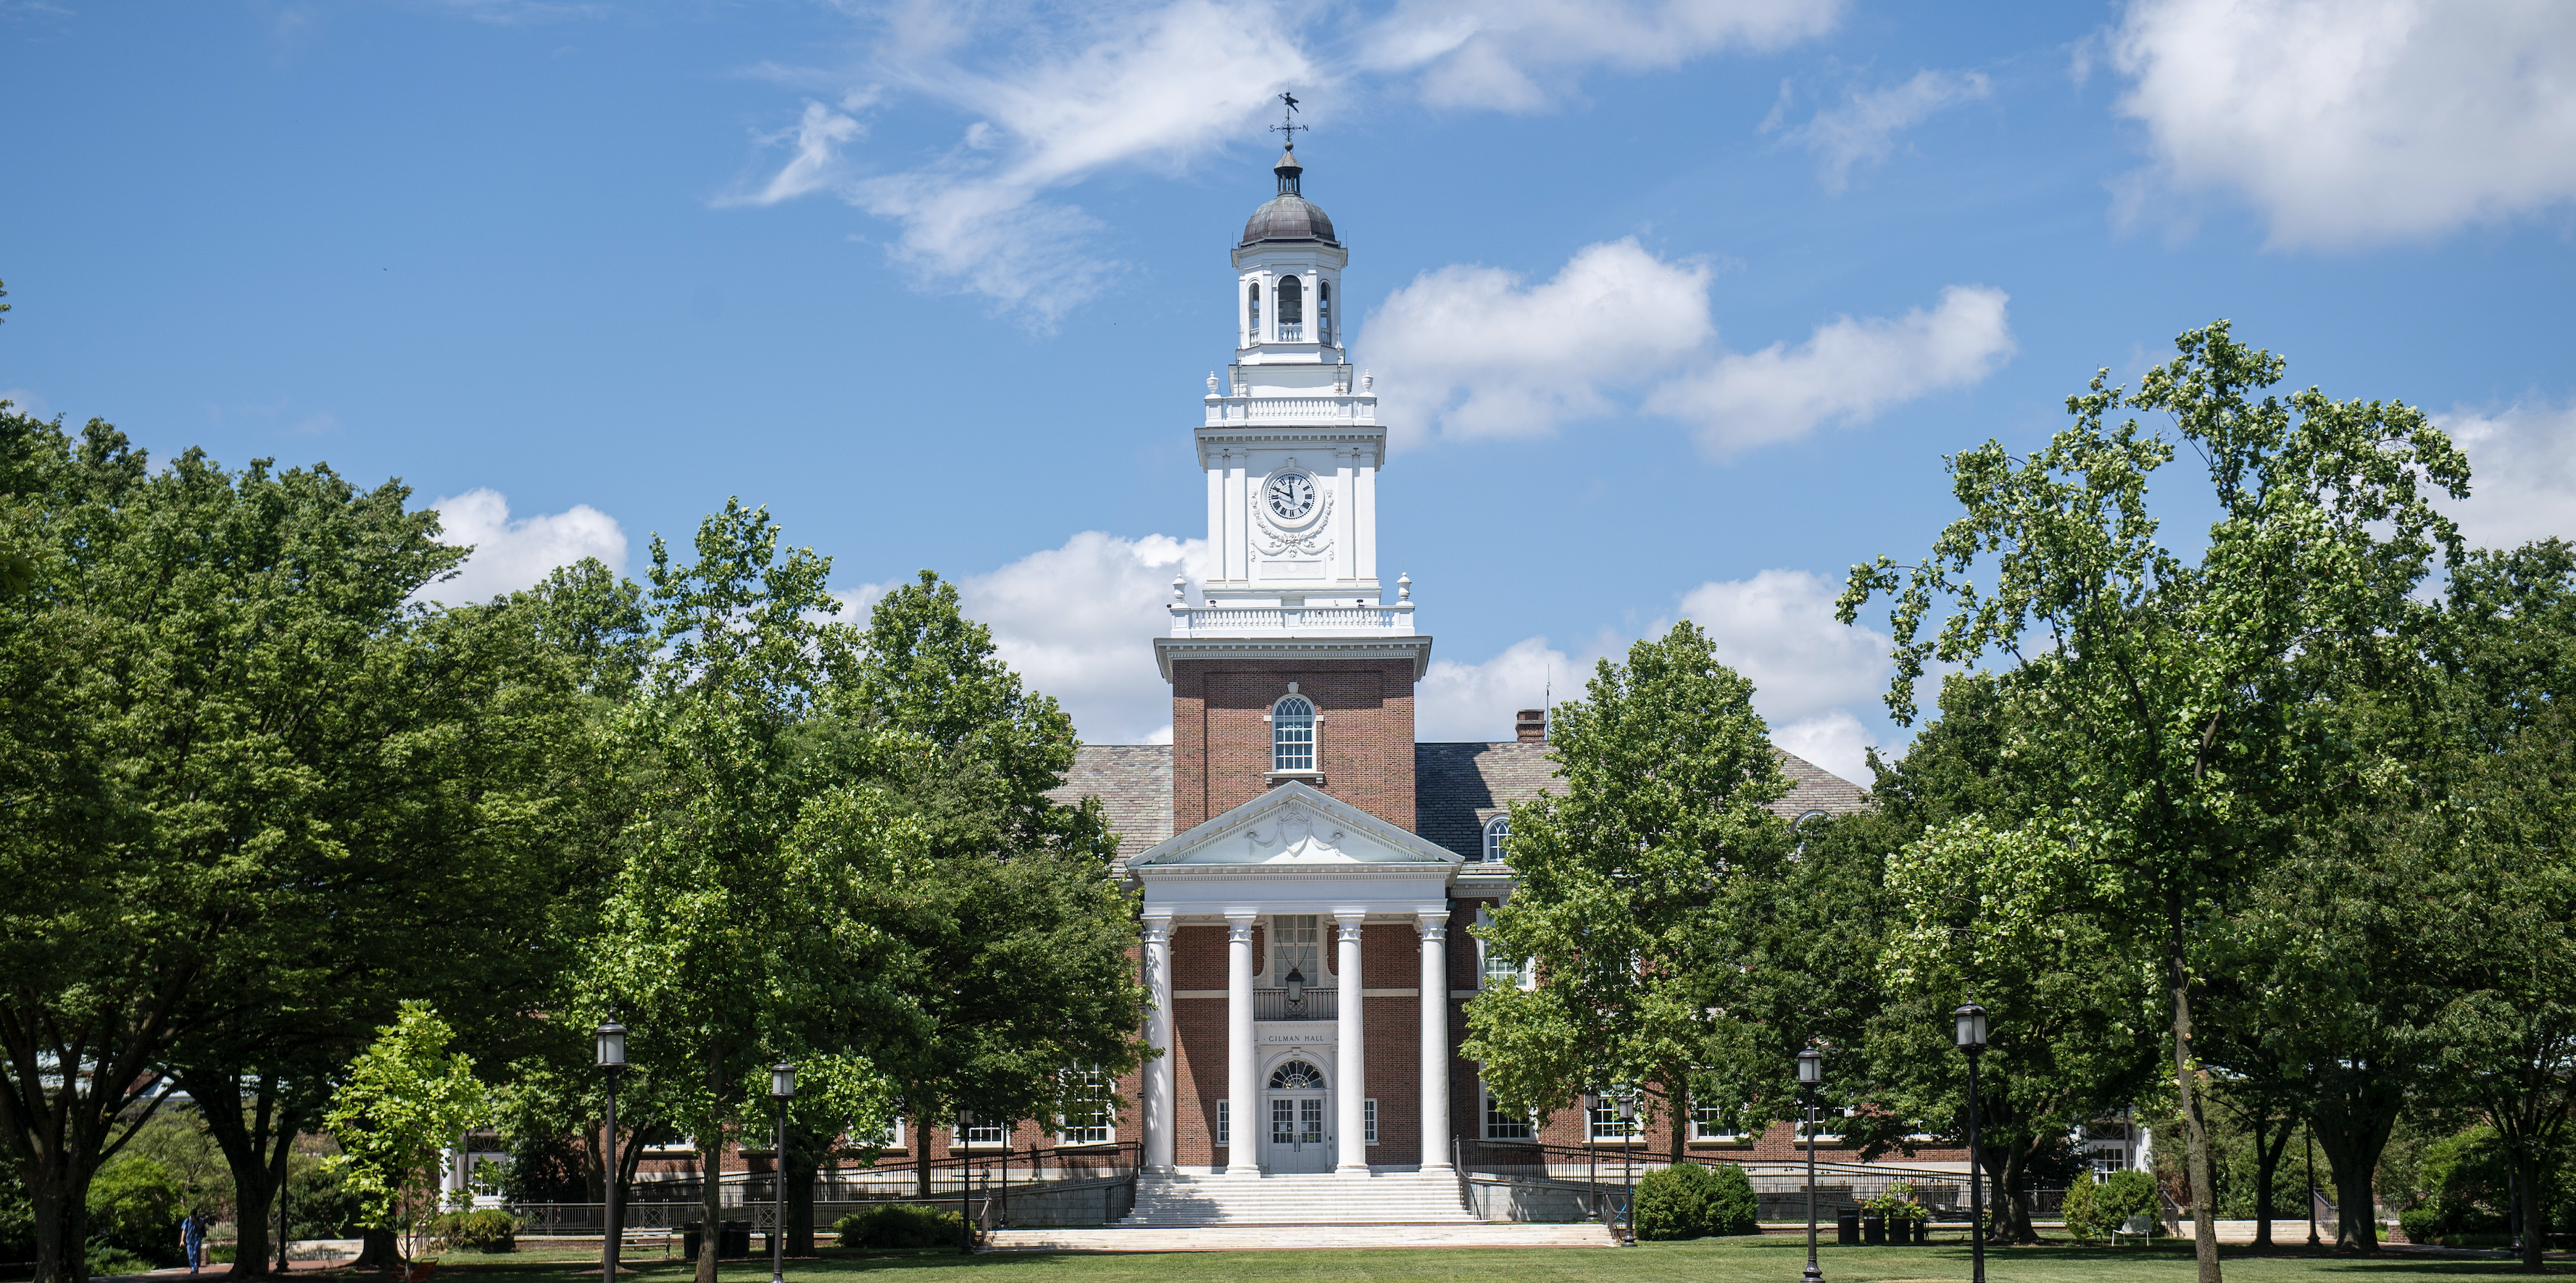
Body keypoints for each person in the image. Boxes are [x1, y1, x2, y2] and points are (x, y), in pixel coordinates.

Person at [181, 1209, 206, 1274]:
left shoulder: (199, 1219)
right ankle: (192, 1268)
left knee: (195, 1252)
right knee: (190, 1255)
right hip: (189, 1240)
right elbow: (184, 1230)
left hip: (197, 1239)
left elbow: (201, 1226)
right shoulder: (187, 1220)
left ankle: (196, 1268)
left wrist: (195, 1221)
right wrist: (182, 1240)